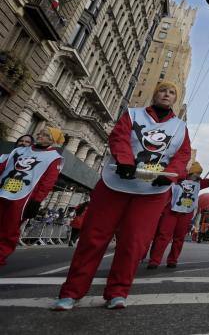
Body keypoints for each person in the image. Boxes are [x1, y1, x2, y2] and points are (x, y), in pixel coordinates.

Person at [53, 82, 191, 311]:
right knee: (93, 238)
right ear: (154, 94)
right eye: (162, 90)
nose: (166, 94)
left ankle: (118, 292)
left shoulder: (180, 127)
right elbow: (119, 138)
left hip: (151, 192)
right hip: (116, 184)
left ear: (175, 99)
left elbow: (183, 155)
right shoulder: (132, 114)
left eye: (171, 92)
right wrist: (125, 162)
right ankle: (71, 293)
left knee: (133, 243)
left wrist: (170, 177)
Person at [0, 126, 64, 265]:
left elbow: (47, 182)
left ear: (52, 140)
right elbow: (3, 167)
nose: (40, 135)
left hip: (23, 198)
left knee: (9, 229)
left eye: (45, 135)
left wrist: (36, 202)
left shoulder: (54, 158)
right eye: (40, 133)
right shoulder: (19, 150)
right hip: (3, 191)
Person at [147, 161, 209, 269]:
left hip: (186, 213)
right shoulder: (178, 179)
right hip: (171, 211)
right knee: (163, 236)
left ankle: (172, 260)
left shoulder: (199, 183)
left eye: (199, 174)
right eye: (196, 173)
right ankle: (154, 261)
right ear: (191, 172)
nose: (198, 176)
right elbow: (174, 174)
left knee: (179, 238)